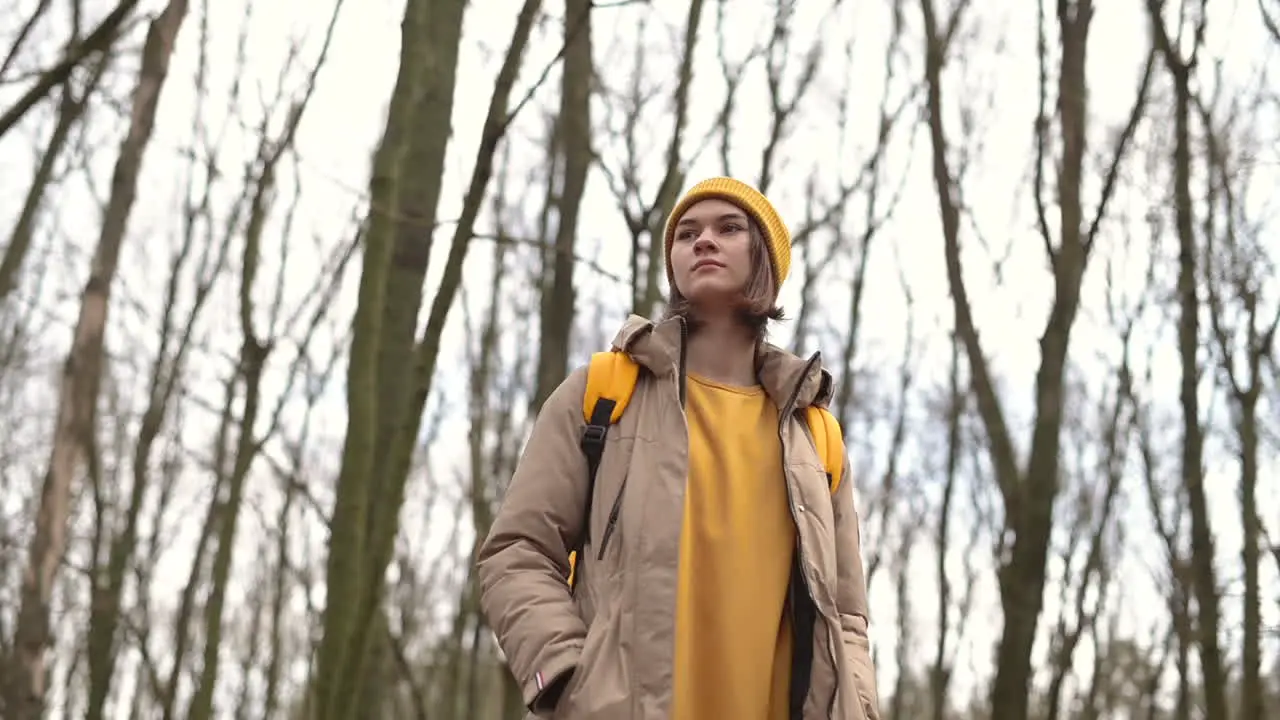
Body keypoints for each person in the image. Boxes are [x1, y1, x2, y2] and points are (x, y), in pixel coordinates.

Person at [477, 177, 880, 720]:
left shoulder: (815, 435)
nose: (703, 240)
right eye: (687, 232)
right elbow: (518, 551)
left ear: (766, 260)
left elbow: (848, 616)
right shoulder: (601, 393)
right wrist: (570, 677)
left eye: (728, 228)